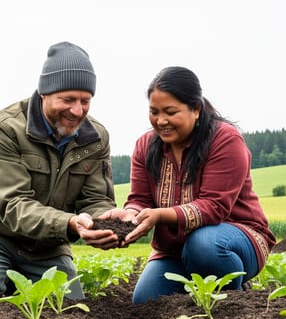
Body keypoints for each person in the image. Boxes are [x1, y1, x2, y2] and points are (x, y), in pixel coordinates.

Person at [0, 42, 119, 299]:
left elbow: (95, 199)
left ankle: (18, 283)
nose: (77, 110)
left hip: (46, 246)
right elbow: (14, 205)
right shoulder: (4, 129)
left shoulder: (95, 137)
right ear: (44, 94)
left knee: (67, 301)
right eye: (68, 99)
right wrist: (70, 222)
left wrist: (109, 218)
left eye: (85, 101)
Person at [102, 66, 276, 304]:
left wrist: (160, 215)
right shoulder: (145, 146)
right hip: (174, 250)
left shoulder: (224, 140)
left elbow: (214, 207)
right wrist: (130, 214)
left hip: (234, 238)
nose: (161, 120)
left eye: (171, 112)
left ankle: (234, 294)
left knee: (203, 246)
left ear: (196, 109)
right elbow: (139, 198)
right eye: (154, 112)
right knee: (145, 302)